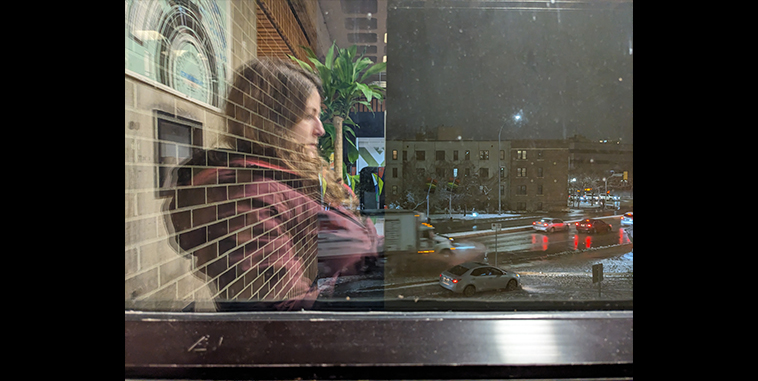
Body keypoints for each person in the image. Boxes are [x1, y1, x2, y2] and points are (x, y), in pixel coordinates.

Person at [163, 58, 379, 310]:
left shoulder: (290, 180)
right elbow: (286, 308)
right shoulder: (244, 195)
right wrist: (378, 275)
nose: (321, 129)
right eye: (309, 116)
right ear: (273, 122)